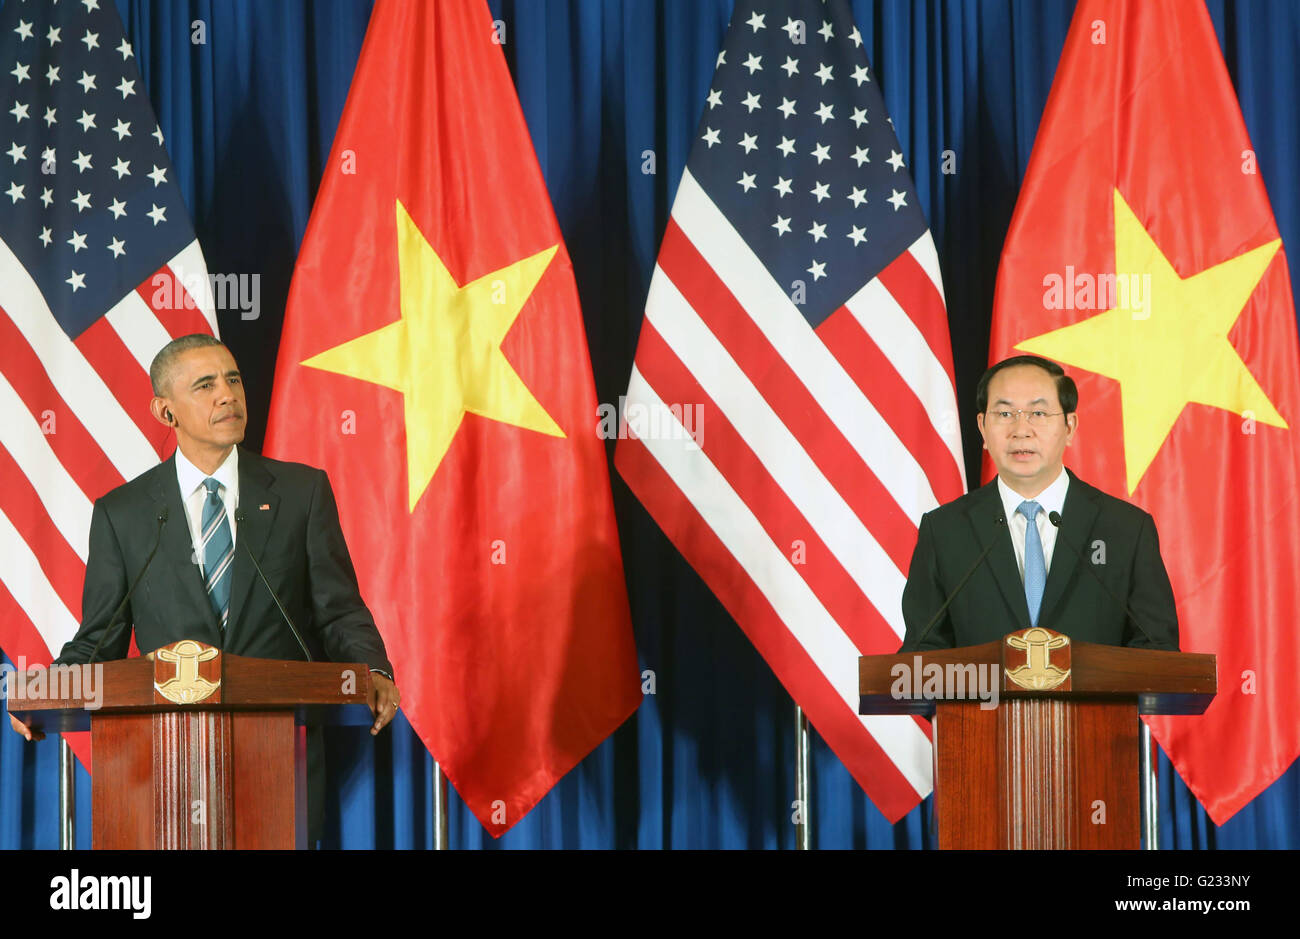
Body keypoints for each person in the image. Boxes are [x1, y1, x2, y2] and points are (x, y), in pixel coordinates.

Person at [8, 334, 401, 843]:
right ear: (165, 411)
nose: (228, 395)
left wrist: (373, 669)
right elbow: (98, 639)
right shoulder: (122, 514)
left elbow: (338, 610)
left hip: (278, 757)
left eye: (233, 379)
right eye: (206, 385)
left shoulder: (302, 493)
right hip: (162, 767)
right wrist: (47, 690)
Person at [899, 354, 1179, 652]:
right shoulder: (945, 531)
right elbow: (921, 655)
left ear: (1070, 426)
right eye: (1005, 414)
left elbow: (1158, 652)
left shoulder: (1124, 530)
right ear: (982, 428)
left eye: (1039, 414)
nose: (1021, 429)